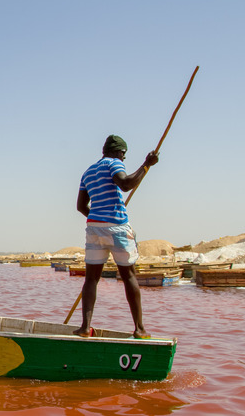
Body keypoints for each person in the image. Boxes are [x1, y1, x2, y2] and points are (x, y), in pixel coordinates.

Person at [74, 135, 159, 339]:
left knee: (91, 279)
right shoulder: (114, 164)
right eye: (124, 155)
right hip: (117, 227)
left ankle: (85, 327)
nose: (123, 159)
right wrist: (146, 165)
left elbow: (80, 206)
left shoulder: (88, 171)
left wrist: (98, 218)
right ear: (120, 152)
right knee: (129, 275)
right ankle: (139, 329)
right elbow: (126, 183)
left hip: (94, 228)